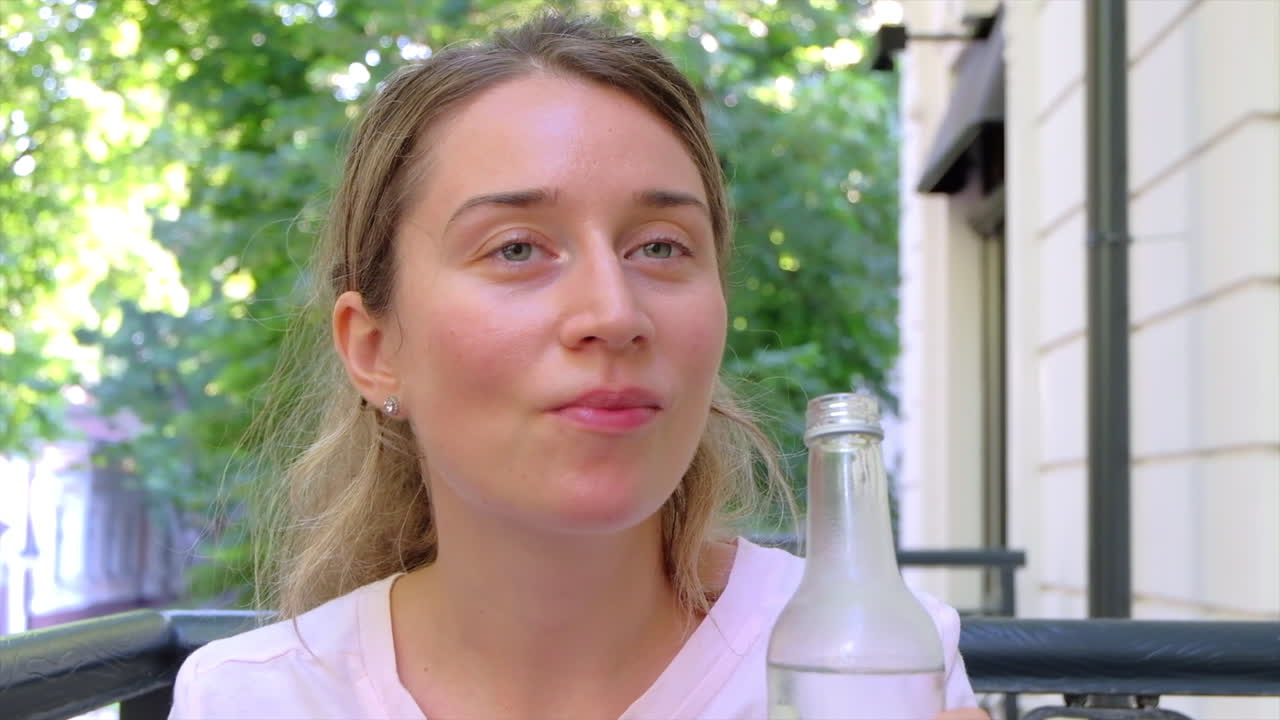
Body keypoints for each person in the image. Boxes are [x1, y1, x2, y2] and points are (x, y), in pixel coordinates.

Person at [170, 13, 988, 720]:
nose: (615, 313)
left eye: (661, 247)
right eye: (517, 248)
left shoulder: (866, 667)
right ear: (376, 351)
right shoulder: (252, 699)